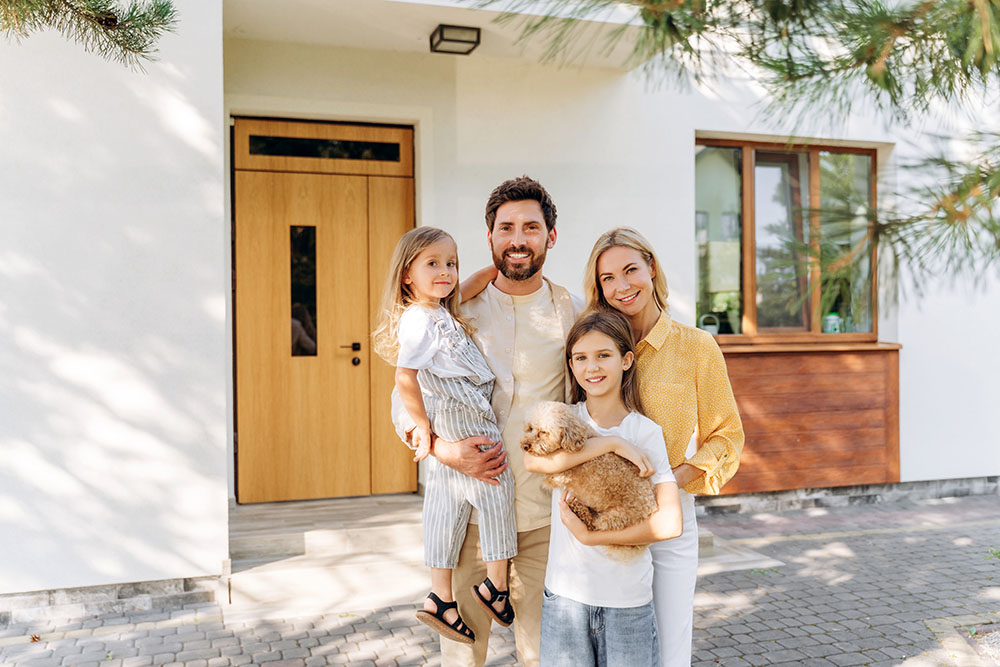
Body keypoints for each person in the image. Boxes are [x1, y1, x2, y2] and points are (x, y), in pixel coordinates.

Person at [391, 176, 582, 667]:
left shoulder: (572, 314)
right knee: (462, 658)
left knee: (543, 656)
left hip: (542, 515)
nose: (518, 239)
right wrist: (438, 448)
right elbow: (405, 396)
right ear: (491, 236)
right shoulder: (452, 309)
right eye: (506, 228)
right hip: (469, 512)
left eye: (531, 228)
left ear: (550, 237)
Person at [584, 227, 744, 667]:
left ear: (652, 268)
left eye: (630, 270)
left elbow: (726, 435)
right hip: (608, 518)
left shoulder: (696, 348)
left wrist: (669, 481)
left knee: (671, 649)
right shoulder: (593, 346)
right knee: (614, 649)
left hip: (670, 519)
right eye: (608, 278)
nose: (622, 286)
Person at [373, 227, 517, 644]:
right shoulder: (420, 318)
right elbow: (405, 376)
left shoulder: (440, 311)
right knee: (496, 485)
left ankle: (441, 597)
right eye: (432, 264)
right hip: (462, 412)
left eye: (450, 263)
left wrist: (498, 265)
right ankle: (496, 585)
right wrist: (421, 426)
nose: (446, 272)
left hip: (457, 412)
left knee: (446, 503)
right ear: (406, 275)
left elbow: (467, 285)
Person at [523, 309, 683, 667]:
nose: (592, 368)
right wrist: (611, 445)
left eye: (603, 356)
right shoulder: (561, 421)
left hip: (628, 602)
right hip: (565, 598)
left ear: (627, 360)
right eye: (581, 358)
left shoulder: (645, 432)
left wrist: (590, 536)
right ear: (571, 365)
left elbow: (670, 524)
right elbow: (534, 462)